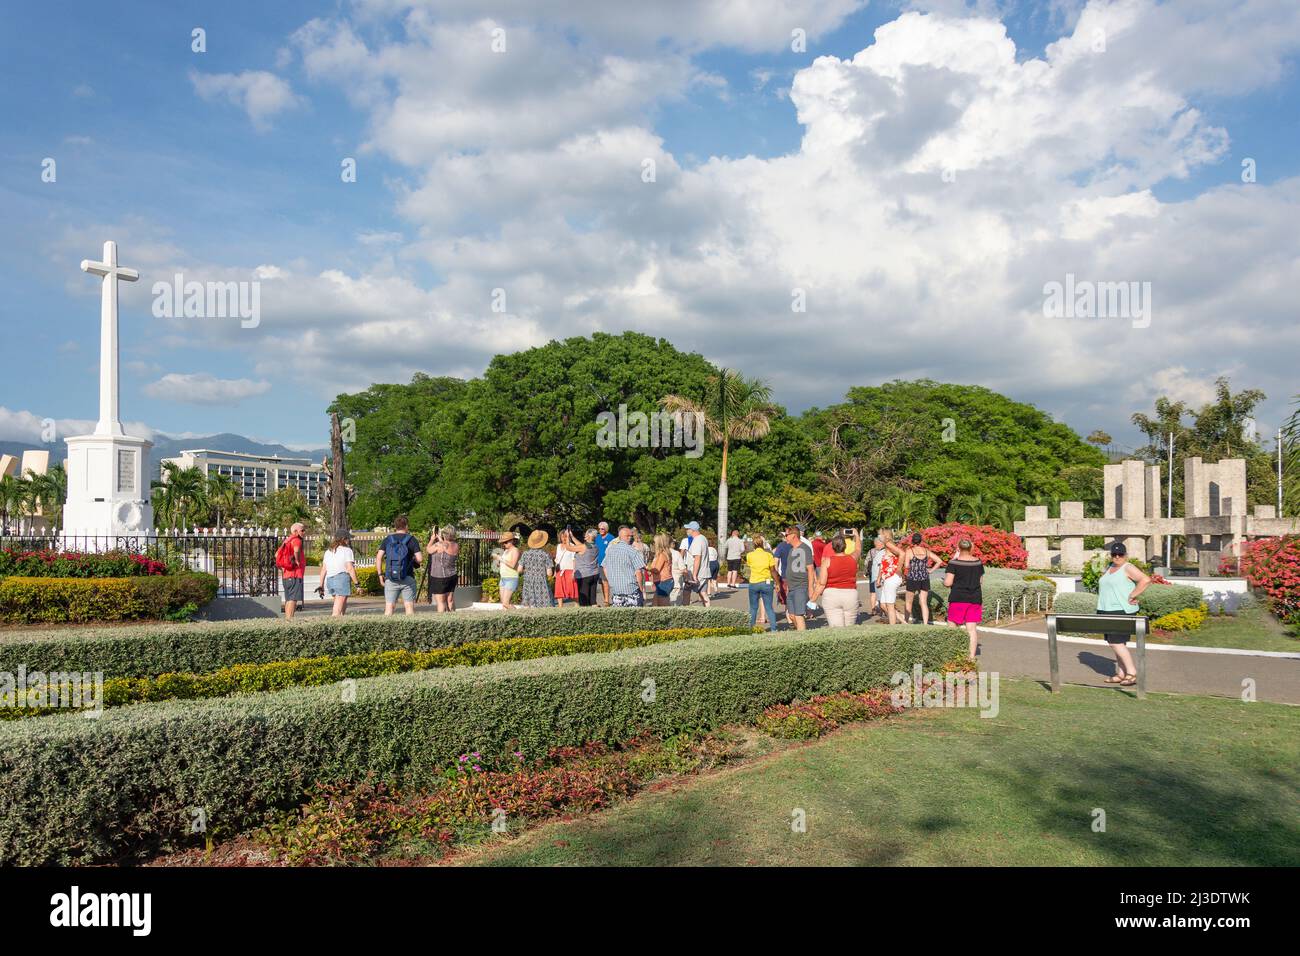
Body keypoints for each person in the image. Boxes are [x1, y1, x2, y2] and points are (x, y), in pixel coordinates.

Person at [1097, 542, 1152, 686]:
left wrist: (1133, 595)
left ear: (1125, 555)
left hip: (1120, 610)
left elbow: (1145, 580)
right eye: (1114, 554)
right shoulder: (1110, 567)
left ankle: (1132, 673)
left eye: (1120, 554)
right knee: (1116, 643)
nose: (1117, 557)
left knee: (1115, 643)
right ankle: (1121, 674)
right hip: (1105, 609)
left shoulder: (1128, 567)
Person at [944, 538, 985, 659]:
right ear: (970, 548)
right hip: (975, 598)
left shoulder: (954, 563)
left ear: (959, 548)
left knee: (952, 627)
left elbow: (948, 582)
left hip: (958, 598)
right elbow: (980, 580)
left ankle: (952, 655)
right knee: (971, 629)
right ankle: (971, 657)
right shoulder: (978, 562)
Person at [377, 516, 422, 616]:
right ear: (406, 526)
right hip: (408, 577)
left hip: (390, 578)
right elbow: (420, 559)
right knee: (409, 607)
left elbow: (379, 557)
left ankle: (386, 630)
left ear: (395, 527)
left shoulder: (388, 539)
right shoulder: (412, 539)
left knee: (389, 607)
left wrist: (380, 575)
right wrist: (413, 559)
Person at [814, 533, 860, 627]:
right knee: (850, 628)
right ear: (845, 546)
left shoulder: (827, 561)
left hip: (831, 595)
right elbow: (858, 549)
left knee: (837, 629)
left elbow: (822, 583)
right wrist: (857, 536)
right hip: (850, 594)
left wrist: (813, 599)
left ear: (832, 547)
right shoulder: (853, 558)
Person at [899, 532, 940, 625]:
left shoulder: (910, 551)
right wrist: (930, 571)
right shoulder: (926, 551)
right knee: (924, 602)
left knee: (909, 602)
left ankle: (905, 622)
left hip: (912, 578)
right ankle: (925, 624)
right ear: (921, 541)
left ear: (912, 541)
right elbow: (939, 561)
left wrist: (912, 566)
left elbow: (906, 566)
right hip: (924, 578)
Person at [602, 525, 647, 606]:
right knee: (635, 616)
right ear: (623, 536)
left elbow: (604, 567)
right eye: (628, 536)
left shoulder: (610, 549)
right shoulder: (632, 550)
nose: (630, 538)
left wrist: (611, 580)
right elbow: (638, 571)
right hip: (631, 590)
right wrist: (641, 588)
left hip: (616, 590)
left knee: (620, 616)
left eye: (631, 536)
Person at [781, 526, 815, 630]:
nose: (785, 537)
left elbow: (810, 569)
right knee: (791, 616)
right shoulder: (791, 550)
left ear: (793, 536)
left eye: (786, 535)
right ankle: (801, 634)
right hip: (791, 588)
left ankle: (802, 640)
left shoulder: (805, 548)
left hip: (801, 587)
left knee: (799, 616)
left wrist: (810, 588)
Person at [318, 532, 358, 617]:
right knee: (337, 610)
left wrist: (321, 585)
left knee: (341, 603)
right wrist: (357, 584)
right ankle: (334, 625)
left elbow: (324, 569)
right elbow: (350, 568)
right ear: (343, 539)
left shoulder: (328, 551)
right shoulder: (347, 550)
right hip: (341, 578)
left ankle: (341, 620)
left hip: (330, 580)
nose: (348, 541)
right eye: (348, 539)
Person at [744, 534, 778, 632]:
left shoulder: (749, 555)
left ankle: (751, 628)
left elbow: (750, 565)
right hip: (767, 582)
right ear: (763, 544)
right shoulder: (768, 555)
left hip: (754, 582)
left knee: (753, 607)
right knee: (769, 607)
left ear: (753, 545)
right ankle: (774, 629)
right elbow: (773, 571)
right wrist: (777, 583)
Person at [276, 522, 307, 620]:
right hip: (295, 575)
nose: (304, 532)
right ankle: (290, 620)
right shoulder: (297, 540)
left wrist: (283, 566)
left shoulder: (286, 541)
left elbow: (276, 555)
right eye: (302, 530)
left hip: (286, 575)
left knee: (288, 599)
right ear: (295, 531)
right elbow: (297, 550)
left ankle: (287, 620)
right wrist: (297, 560)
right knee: (293, 600)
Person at [425, 527, 460, 612]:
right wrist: (440, 539)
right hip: (452, 576)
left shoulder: (439, 545)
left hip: (439, 576)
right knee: (450, 600)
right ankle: (454, 619)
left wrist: (432, 539)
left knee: (441, 602)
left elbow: (428, 550)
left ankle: (442, 622)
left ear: (444, 534)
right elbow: (446, 545)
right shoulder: (456, 545)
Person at [519, 529, 555, 608]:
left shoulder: (525, 554)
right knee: (544, 606)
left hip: (528, 581)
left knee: (527, 606)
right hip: (541, 582)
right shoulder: (545, 555)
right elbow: (549, 573)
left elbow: (519, 570)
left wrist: (529, 571)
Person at [679, 521, 711, 606]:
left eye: (688, 529)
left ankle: (685, 612)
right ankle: (709, 613)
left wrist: (694, 575)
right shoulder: (703, 538)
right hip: (703, 572)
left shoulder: (697, 540)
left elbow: (697, 558)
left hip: (696, 573)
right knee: (703, 593)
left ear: (693, 530)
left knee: (686, 592)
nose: (687, 531)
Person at [877, 529, 904, 624]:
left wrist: (899, 569)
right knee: (883, 605)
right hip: (887, 578)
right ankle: (904, 623)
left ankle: (893, 628)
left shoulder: (888, 543)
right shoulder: (887, 545)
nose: (878, 536)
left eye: (880, 534)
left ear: (885, 535)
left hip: (892, 577)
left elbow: (902, 553)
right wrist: (879, 578)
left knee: (890, 605)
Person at [572, 528, 600, 607]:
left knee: (584, 600)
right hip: (594, 574)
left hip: (585, 575)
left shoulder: (584, 547)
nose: (585, 535)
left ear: (589, 536)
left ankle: (586, 616)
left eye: (586, 534)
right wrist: (572, 536)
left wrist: (567, 539)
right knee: (593, 600)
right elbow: (580, 545)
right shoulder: (594, 546)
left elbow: (568, 548)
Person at [554, 528, 581, 605]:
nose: (564, 538)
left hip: (569, 570)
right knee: (559, 589)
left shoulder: (572, 546)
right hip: (560, 570)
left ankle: (577, 604)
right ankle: (560, 606)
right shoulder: (558, 546)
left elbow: (574, 559)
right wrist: (555, 572)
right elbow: (557, 559)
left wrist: (574, 571)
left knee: (572, 589)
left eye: (566, 536)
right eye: (562, 537)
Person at [649, 533, 674, 606]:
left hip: (663, 581)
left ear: (658, 543)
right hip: (662, 581)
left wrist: (646, 568)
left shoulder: (662, 555)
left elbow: (656, 570)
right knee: (656, 604)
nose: (653, 544)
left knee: (663, 607)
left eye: (654, 542)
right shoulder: (662, 554)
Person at [497, 531, 521, 609]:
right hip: (503, 578)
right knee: (503, 605)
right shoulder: (505, 551)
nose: (504, 544)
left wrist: (501, 559)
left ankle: (518, 615)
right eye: (503, 543)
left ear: (511, 541)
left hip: (511, 578)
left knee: (506, 603)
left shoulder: (515, 550)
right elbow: (504, 563)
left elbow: (513, 565)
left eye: (506, 542)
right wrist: (499, 563)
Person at [594, 522, 616, 605]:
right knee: (601, 582)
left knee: (605, 581)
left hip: (606, 564)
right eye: (599, 529)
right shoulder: (597, 537)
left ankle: (607, 600)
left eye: (602, 529)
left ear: (606, 529)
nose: (600, 530)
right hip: (597, 563)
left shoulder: (611, 538)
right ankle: (605, 599)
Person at [865, 536, 884, 617]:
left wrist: (866, 572)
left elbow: (866, 562)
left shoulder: (871, 551)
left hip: (873, 574)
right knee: (882, 593)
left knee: (873, 593)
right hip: (882, 574)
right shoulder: (884, 552)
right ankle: (881, 610)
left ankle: (873, 609)